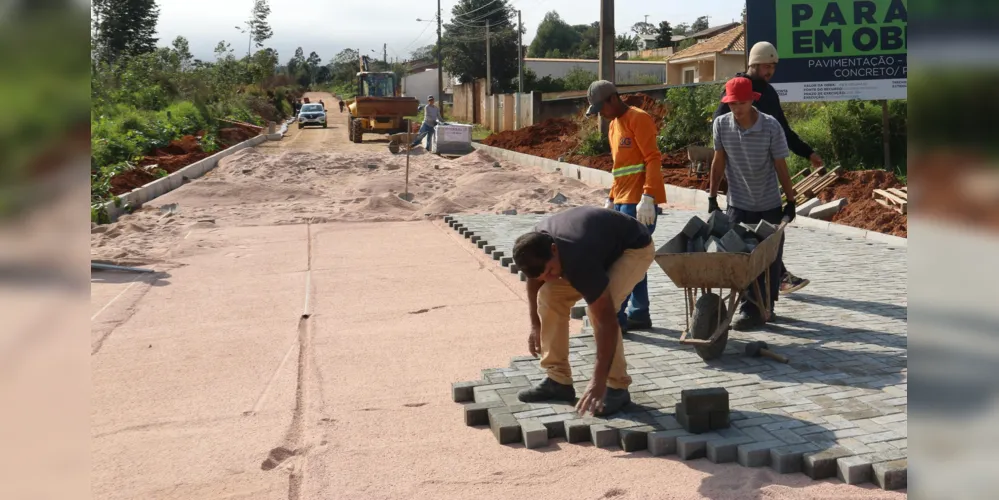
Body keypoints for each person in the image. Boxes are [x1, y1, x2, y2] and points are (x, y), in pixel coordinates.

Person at [511, 206, 656, 417]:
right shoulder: (534, 245)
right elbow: (537, 279)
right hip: (597, 247)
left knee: (599, 312)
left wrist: (597, 381)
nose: (550, 277)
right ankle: (558, 380)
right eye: (544, 275)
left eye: (551, 270)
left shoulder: (576, 255)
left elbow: (606, 320)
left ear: (553, 250)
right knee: (550, 295)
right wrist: (535, 324)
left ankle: (617, 387)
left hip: (632, 249)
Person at [713, 41, 816, 295]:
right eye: (765, 66)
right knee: (745, 245)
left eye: (772, 67)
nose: (769, 71)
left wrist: (807, 152)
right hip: (739, 185)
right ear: (753, 65)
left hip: (765, 187)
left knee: (766, 242)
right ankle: (764, 290)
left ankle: (770, 291)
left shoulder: (768, 95)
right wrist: (713, 191)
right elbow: (719, 133)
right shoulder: (735, 91)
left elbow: (783, 130)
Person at [709, 77, 797, 330]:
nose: (737, 108)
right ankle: (750, 307)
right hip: (738, 203)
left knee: (769, 260)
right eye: (732, 103)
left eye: (742, 102)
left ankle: (765, 306)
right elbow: (718, 162)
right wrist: (712, 196)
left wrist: (790, 201)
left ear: (752, 100)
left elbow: (781, 166)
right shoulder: (721, 125)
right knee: (741, 258)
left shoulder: (771, 127)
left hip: (768, 203)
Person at [584, 80, 666, 333]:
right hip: (621, 202)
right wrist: (611, 198)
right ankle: (639, 314)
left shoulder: (637, 118)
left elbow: (652, 158)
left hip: (639, 204)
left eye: (602, 108)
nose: (601, 114)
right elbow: (620, 169)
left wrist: (649, 196)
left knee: (624, 264)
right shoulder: (613, 127)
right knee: (634, 262)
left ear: (613, 99)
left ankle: (616, 319)